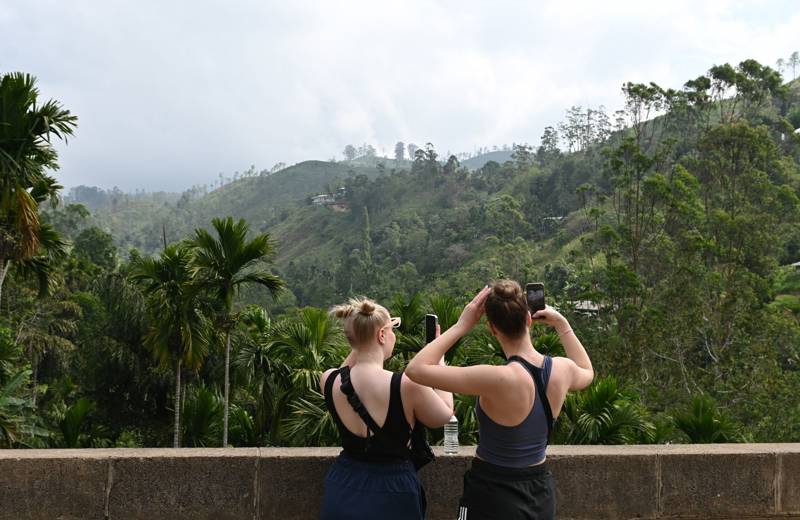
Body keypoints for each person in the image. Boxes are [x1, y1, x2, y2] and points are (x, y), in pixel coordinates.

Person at [405, 281, 594, 520]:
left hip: (491, 492)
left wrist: (462, 326)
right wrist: (561, 323)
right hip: (540, 491)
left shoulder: (496, 378)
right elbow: (587, 371)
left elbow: (415, 369)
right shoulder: (561, 369)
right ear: (528, 318)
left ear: (492, 328)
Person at [319, 297, 454, 520]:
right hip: (393, 489)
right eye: (392, 330)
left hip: (343, 483)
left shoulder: (329, 380)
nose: (394, 336)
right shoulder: (406, 386)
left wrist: (363, 336)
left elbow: (347, 372)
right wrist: (438, 363)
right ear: (382, 335)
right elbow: (444, 415)